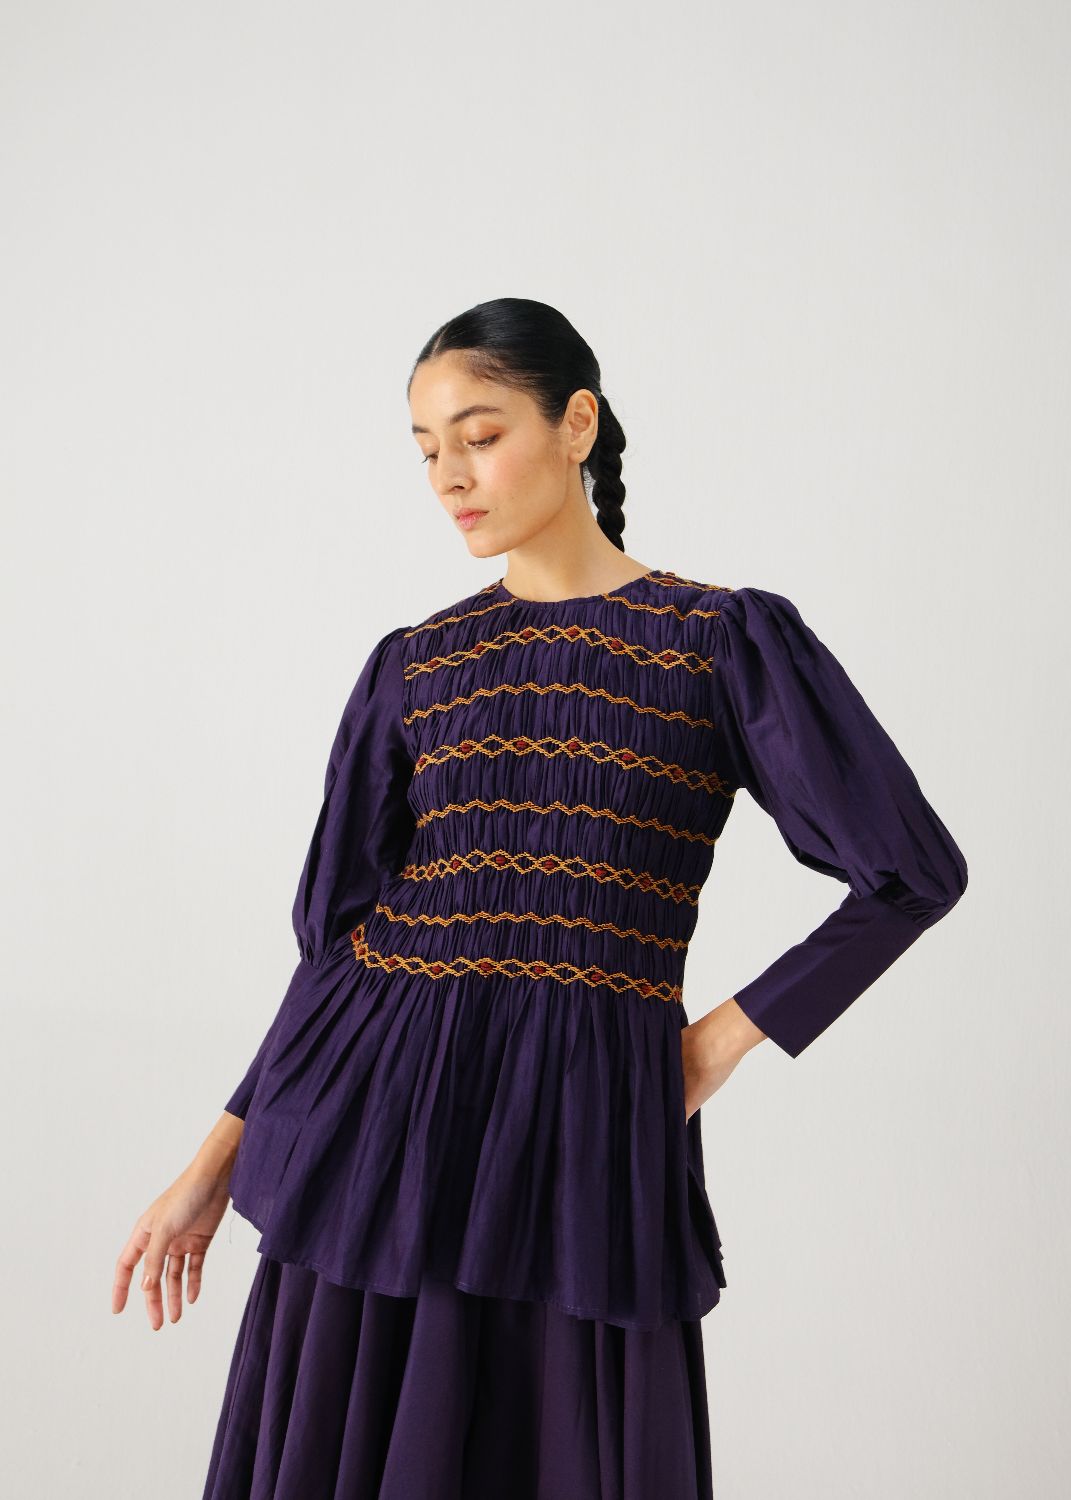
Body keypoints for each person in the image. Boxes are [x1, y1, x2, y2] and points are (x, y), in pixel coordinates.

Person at [111, 297, 968, 1499]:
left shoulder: (719, 643)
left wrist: (713, 1046)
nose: (450, 478)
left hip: (582, 1142)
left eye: (479, 435)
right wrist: (213, 1162)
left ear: (577, 423)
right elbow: (338, 953)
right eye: (426, 451)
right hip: (375, 1147)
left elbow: (911, 873)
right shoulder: (416, 664)